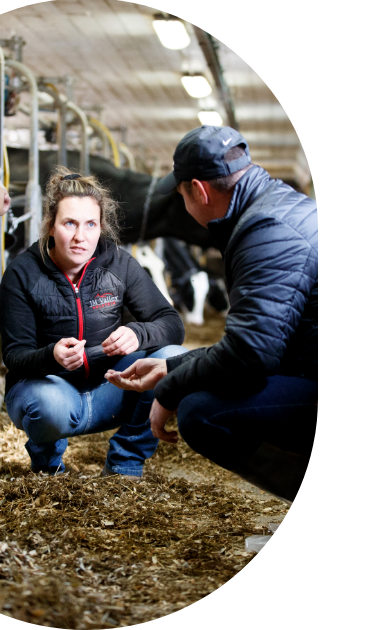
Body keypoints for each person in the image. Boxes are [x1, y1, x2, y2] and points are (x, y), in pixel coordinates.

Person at [105, 126, 318, 504]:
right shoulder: (276, 205)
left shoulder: (264, 230)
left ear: (200, 192)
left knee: (202, 413)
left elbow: (252, 353)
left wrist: (171, 389)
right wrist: (171, 369)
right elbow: (259, 341)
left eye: (182, 194)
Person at [0, 168, 186, 479]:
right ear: (50, 226)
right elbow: (15, 356)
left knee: (171, 360)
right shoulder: (23, 274)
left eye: (90, 224)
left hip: (112, 386)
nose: (79, 237)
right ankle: (47, 464)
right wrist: (51, 354)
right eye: (69, 223)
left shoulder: (119, 264)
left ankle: (125, 461)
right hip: (52, 393)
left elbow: (172, 324)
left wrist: (138, 334)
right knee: (46, 404)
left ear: (101, 227)